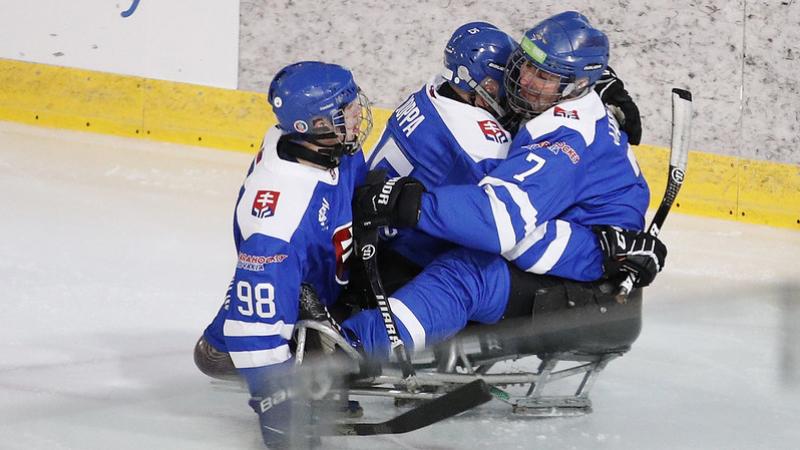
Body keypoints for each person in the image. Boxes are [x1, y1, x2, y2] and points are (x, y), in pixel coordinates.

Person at [344, 12, 666, 356]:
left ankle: (355, 350)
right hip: (584, 243)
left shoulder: (564, 144)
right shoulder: (564, 99)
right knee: (460, 240)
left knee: (468, 274)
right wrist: (604, 80)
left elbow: (499, 225)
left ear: (576, 86)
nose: (525, 79)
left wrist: (411, 205)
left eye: (543, 75)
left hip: (596, 287)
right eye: (525, 64)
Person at [193, 61, 372, 448]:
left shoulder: (312, 146)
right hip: (288, 297)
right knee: (268, 324)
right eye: (347, 109)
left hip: (317, 277)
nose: (358, 115)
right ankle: (225, 349)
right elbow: (254, 334)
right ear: (317, 126)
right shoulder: (278, 229)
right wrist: (282, 416)